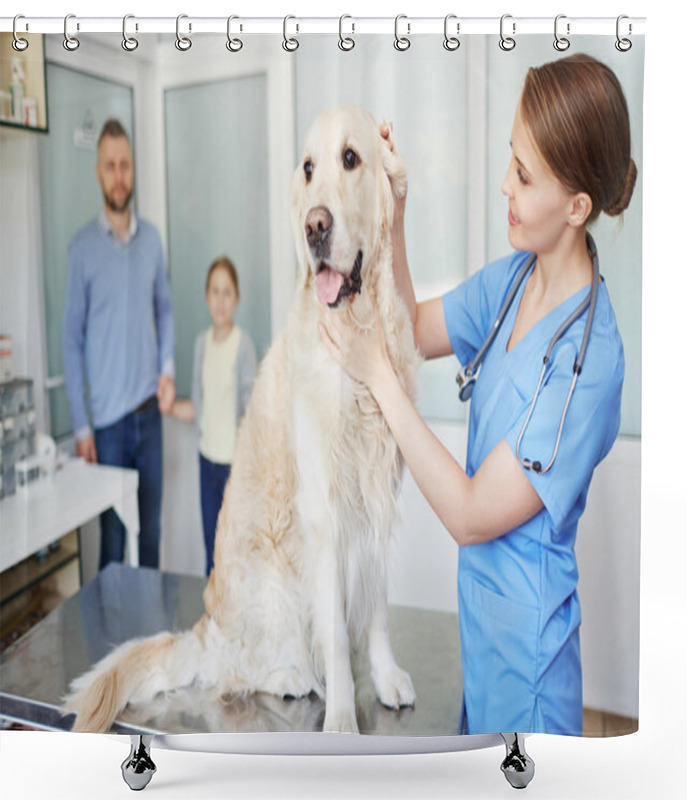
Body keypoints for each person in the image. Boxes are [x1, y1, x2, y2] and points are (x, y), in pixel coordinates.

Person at [321, 53, 636, 736]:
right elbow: (411, 322)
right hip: (479, 646)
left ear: (578, 206)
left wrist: (376, 374)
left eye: (523, 177)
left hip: (530, 675)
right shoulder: (510, 283)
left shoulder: (590, 364)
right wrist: (395, 211)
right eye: (509, 163)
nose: (503, 186)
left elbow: (468, 514)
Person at [63, 118, 175, 571]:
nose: (118, 175)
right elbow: (71, 341)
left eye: (125, 165)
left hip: (150, 416)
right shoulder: (81, 249)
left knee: (151, 536)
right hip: (106, 427)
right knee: (112, 542)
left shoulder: (151, 241)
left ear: (133, 170)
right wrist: (81, 427)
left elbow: (165, 308)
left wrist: (167, 369)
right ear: (98, 173)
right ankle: (113, 640)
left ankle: (150, 640)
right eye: (110, 166)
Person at [169, 257, 257, 576]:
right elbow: (197, 406)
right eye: (215, 291)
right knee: (213, 553)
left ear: (236, 299)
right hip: (207, 463)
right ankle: (217, 622)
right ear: (207, 296)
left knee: (237, 553)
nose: (220, 301)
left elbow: (252, 415)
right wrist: (166, 405)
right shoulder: (200, 345)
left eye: (227, 292)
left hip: (235, 468)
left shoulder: (243, 346)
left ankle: (240, 624)